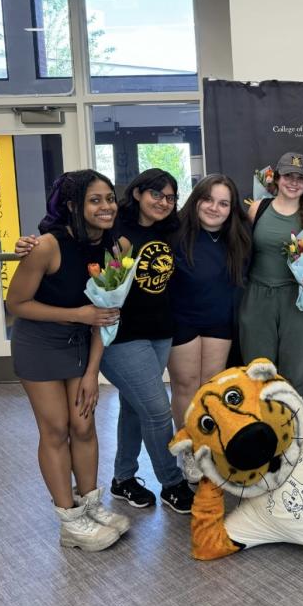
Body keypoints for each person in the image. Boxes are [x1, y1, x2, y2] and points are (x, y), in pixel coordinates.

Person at [5, 170, 128, 551]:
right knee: (56, 429)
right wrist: (79, 315)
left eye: (109, 198)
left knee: (84, 425)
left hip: (81, 342)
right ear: (74, 206)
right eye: (96, 200)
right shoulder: (46, 246)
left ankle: (91, 505)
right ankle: (70, 521)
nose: (106, 206)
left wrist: (93, 372)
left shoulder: (117, 247)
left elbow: (105, 315)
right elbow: (16, 304)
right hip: (39, 344)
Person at [98, 169, 194, 514]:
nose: (163, 203)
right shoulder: (114, 228)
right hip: (122, 335)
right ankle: (172, 483)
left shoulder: (172, 230)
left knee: (133, 406)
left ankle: (123, 478)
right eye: (156, 194)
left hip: (160, 331)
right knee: (156, 410)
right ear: (137, 193)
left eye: (170, 198)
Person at [168, 173, 251, 480]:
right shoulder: (174, 231)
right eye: (208, 200)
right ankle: (188, 450)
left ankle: (207, 446)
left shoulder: (240, 235)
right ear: (197, 199)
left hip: (219, 320)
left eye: (223, 203)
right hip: (182, 319)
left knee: (209, 388)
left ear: (231, 209)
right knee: (185, 386)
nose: (214, 208)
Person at [240, 152, 303, 399]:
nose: (294, 183)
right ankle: (261, 433)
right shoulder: (258, 208)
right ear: (277, 179)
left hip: (299, 302)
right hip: (258, 299)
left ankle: (294, 433)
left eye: (300, 178)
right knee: (258, 374)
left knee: (296, 375)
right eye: (288, 176)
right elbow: (240, 252)